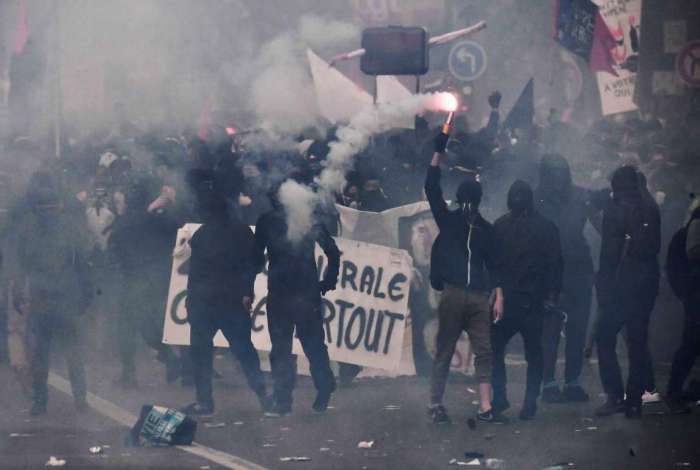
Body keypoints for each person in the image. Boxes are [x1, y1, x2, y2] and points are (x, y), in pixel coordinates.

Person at [425, 131, 505, 424]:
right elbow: (431, 189)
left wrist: (438, 154)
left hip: (471, 297)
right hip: (464, 295)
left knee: (477, 351)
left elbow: (496, 265)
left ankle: (479, 406)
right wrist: (438, 151)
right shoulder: (458, 223)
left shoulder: (480, 228)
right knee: (455, 350)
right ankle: (440, 404)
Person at [182, 186, 270, 417]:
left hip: (204, 302)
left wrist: (190, 302)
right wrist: (246, 291)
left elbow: (195, 272)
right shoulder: (242, 232)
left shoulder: (201, 235)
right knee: (245, 351)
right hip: (231, 301)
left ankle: (205, 402)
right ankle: (264, 397)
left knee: (201, 354)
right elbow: (256, 264)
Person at [255, 188, 340, 416]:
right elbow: (333, 252)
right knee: (311, 345)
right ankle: (320, 386)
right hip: (303, 292)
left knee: (283, 348)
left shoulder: (268, 221)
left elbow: (254, 257)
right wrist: (328, 281)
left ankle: (284, 400)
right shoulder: (307, 219)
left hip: (284, 293)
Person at [14, 171, 93, 415]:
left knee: (41, 355)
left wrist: (18, 293)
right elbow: (82, 264)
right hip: (65, 299)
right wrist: (87, 295)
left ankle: (40, 402)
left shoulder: (28, 231)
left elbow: (21, 266)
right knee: (72, 353)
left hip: (43, 300)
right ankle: (80, 400)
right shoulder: (70, 229)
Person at [491, 180, 563, 420]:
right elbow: (555, 265)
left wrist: (494, 293)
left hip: (507, 301)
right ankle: (530, 402)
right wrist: (551, 296)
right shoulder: (546, 227)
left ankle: (500, 398)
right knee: (534, 353)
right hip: (533, 302)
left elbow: (492, 265)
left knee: (497, 349)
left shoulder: (500, 226)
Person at [595, 166, 661, 419]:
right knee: (637, 341)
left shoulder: (616, 209)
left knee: (604, 336)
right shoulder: (651, 207)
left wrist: (604, 285)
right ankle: (634, 401)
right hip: (645, 285)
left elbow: (609, 254)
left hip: (620, 286)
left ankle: (615, 396)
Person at [535, 154, 598, 403]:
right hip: (557, 269)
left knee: (567, 329)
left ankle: (565, 382)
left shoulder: (541, 198)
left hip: (570, 269)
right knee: (557, 329)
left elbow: (603, 225)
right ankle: (555, 382)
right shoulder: (540, 198)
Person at [109, 182, 181, 388]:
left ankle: (130, 374)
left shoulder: (126, 223)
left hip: (133, 280)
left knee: (127, 328)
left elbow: (115, 245)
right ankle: (170, 359)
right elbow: (178, 230)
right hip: (155, 280)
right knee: (146, 324)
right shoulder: (157, 220)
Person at [665, 194, 700, 413]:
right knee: (691, 343)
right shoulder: (697, 222)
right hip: (697, 292)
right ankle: (675, 392)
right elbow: (693, 252)